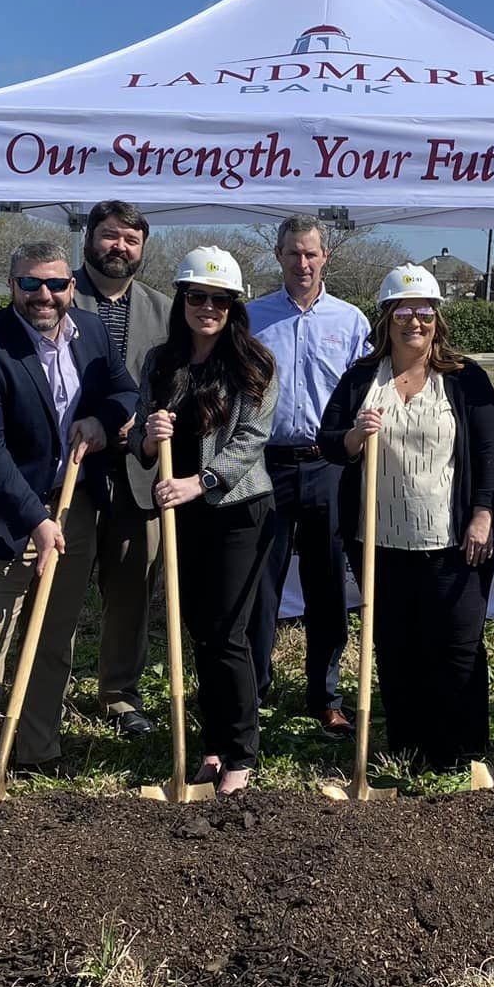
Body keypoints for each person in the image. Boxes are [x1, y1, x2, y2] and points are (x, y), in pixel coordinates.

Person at [0, 241, 135, 796]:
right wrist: (35, 521)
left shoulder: (91, 333)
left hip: (70, 506)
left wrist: (101, 419)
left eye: (55, 283)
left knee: (53, 636)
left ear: (72, 285)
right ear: (11, 285)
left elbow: (124, 388)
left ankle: (37, 749)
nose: (43, 295)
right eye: (30, 284)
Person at [318, 266, 494, 769]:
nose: (414, 322)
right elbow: (330, 442)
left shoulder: (464, 379)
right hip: (379, 539)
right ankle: (407, 747)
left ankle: (462, 752)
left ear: (436, 319)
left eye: (424, 312)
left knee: (456, 645)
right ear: (387, 318)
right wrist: (356, 434)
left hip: (454, 538)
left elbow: (489, 450)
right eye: (404, 311)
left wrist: (483, 511)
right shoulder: (362, 377)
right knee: (397, 647)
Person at [132, 247, 279, 796]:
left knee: (227, 634)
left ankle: (240, 752)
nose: (208, 308)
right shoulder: (160, 361)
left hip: (237, 510)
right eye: (198, 297)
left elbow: (251, 439)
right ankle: (213, 744)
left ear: (234, 306)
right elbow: (140, 438)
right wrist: (149, 437)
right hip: (181, 510)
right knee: (197, 631)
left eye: (220, 299)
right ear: (182, 300)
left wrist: (203, 481)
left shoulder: (254, 362)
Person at [246, 216, 370, 735]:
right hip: (264, 464)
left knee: (327, 587)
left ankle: (325, 695)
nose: (302, 263)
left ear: (326, 258)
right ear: (278, 256)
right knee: (260, 585)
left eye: (311, 254)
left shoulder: (352, 321)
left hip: (328, 465)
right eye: (293, 254)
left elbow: (368, 392)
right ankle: (252, 689)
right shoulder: (250, 318)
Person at [73, 200, 173, 736]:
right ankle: (46, 684)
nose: (120, 248)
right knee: (60, 582)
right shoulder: (54, 296)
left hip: (139, 471)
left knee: (133, 584)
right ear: (89, 238)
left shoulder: (162, 309)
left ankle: (118, 693)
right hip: (69, 467)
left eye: (131, 241)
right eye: (111, 237)